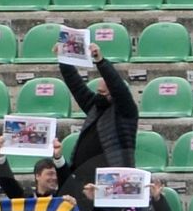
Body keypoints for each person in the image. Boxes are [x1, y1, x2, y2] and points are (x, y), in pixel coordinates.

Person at [58, 42, 138, 187]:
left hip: (112, 183)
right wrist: (64, 61)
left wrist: (100, 61)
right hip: (84, 182)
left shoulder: (126, 112)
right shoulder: (96, 107)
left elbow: (117, 87)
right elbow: (77, 86)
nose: (98, 95)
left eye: (103, 93)